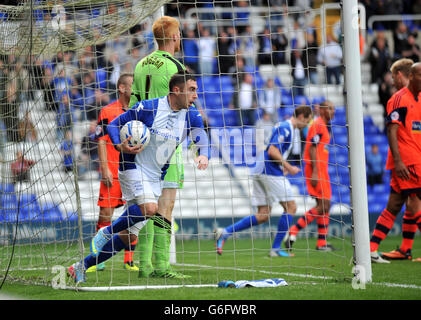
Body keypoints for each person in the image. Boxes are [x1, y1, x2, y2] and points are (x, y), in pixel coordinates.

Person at [68, 72, 209, 283]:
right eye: (192, 90)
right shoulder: (150, 107)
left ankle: (81, 266)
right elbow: (114, 125)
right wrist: (118, 145)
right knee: (151, 209)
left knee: (128, 237)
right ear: (176, 90)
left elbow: (200, 133)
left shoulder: (191, 114)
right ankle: (107, 231)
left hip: (155, 176)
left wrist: (204, 153)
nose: (196, 95)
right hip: (132, 166)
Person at [128, 16, 192, 278]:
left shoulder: (141, 64)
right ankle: (162, 266)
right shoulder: (175, 67)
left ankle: (144, 265)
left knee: (148, 205)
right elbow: (185, 103)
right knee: (166, 206)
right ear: (175, 37)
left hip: (143, 142)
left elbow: (132, 103)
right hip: (166, 143)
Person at [215, 106, 313, 257]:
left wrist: (283, 165)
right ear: (301, 116)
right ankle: (275, 249)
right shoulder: (287, 127)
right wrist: (289, 167)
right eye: (307, 120)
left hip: (260, 169)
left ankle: (225, 232)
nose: (307, 124)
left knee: (263, 214)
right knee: (291, 207)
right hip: (269, 171)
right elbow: (272, 150)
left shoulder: (287, 127)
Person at [370, 60, 421, 262]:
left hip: (413, 159)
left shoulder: (418, 98)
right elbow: (392, 129)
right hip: (407, 162)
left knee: (396, 204)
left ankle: (381, 249)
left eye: (393, 76)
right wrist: (399, 161)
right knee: (412, 203)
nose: (392, 81)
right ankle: (376, 250)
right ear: (410, 76)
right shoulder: (399, 99)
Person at [86, 73, 137, 273]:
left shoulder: (137, 110)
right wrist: (104, 167)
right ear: (122, 88)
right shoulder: (108, 110)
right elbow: (99, 139)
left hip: (132, 171)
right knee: (105, 214)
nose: (136, 89)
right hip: (112, 170)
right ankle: (98, 258)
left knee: (135, 215)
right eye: (132, 85)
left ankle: (129, 260)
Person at [285, 101, 337, 251]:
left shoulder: (324, 125)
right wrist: (315, 172)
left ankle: (321, 242)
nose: (332, 111)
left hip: (321, 169)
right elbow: (313, 148)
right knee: (324, 205)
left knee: (324, 206)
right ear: (321, 110)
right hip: (316, 169)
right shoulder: (318, 124)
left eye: (333, 108)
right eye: (329, 108)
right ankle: (293, 230)